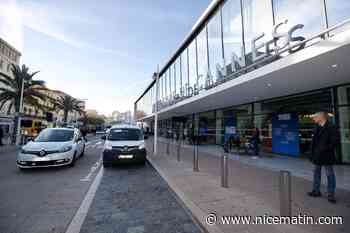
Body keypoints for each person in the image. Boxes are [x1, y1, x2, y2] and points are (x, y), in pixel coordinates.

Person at [308, 111, 338, 203]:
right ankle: (316, 191)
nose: (314, 118)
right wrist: (312, 153)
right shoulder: (317, 126)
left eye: (316, 116)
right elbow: (314, 142)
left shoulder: (331, 127)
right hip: (317, 155)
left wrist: (322, 149)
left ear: (322, 116)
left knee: (330, 174)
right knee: (316, 173)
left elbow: (334, 142)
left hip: (326, 155)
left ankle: (331, 194)